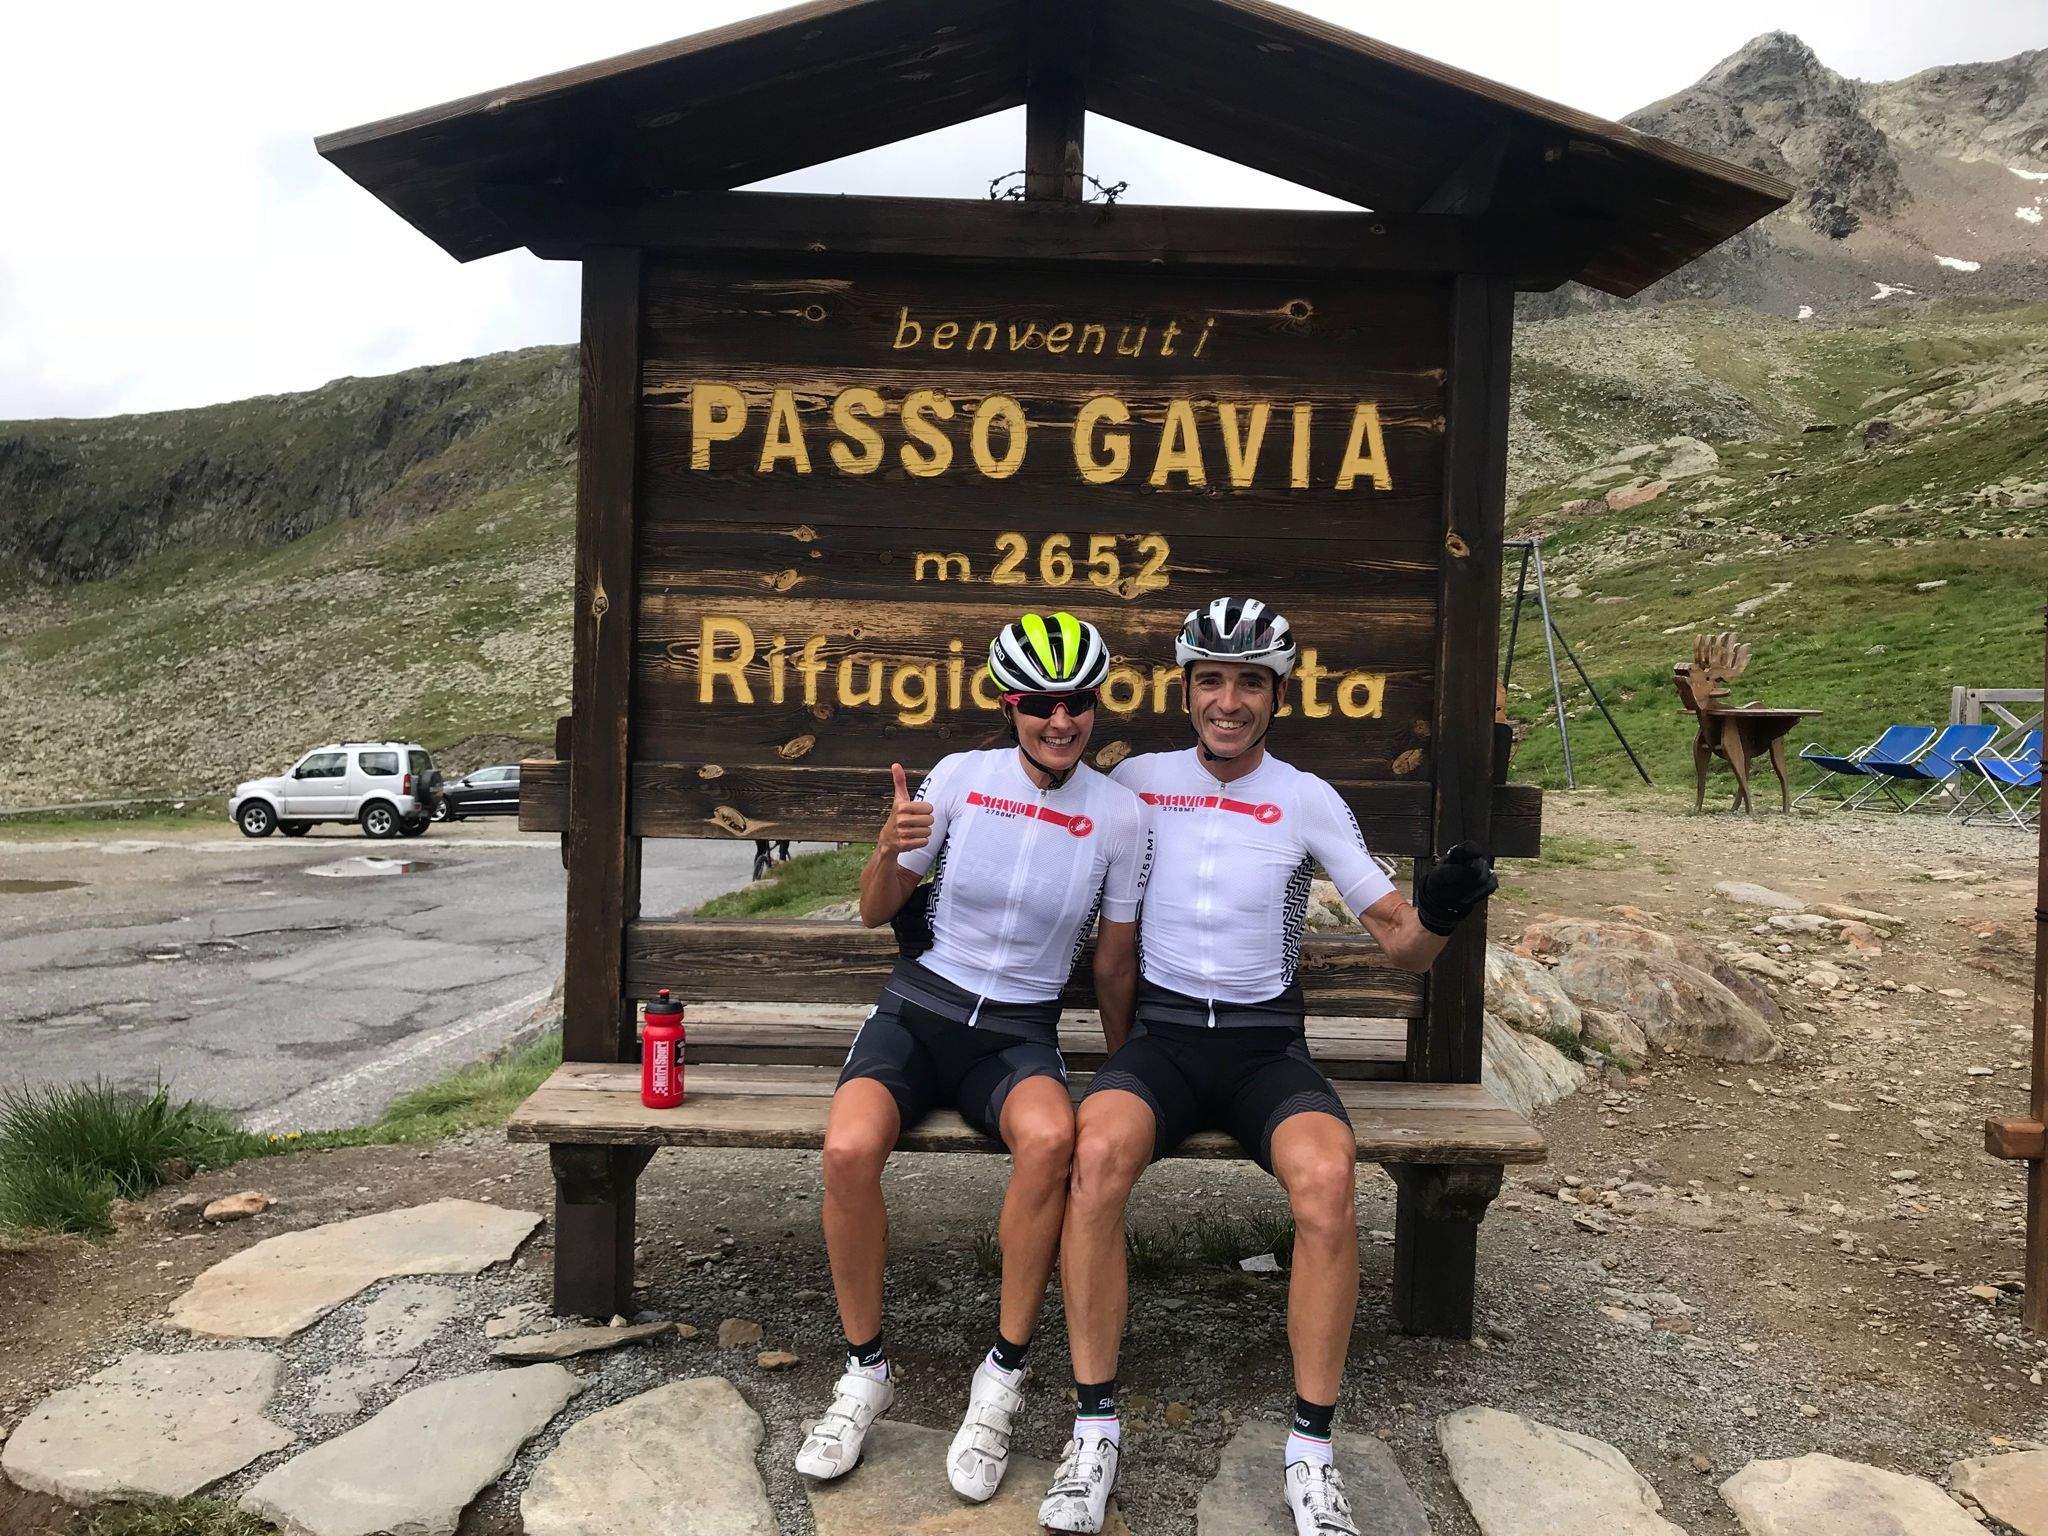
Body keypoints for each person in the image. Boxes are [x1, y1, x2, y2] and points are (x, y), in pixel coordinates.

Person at [1038, 597, 1498, 1536]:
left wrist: (1442, 913)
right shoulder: (1138, 781)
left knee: (1328, 1182)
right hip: (1162, 1042)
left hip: (1262, 1048)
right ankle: (1092, 1429)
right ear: (1186, 688)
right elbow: (1064, 867)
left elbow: (1402, 945)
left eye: (1251, 681)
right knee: (1092, 1163)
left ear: (1277, 695)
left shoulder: (1306, 797)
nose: (1229, 700)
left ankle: (1312, 1451)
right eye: (1212, 678)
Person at [795, 611, 1151, 1504]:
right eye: (1040, 703)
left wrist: (1125, 1069)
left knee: (1050, 1142)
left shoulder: (1120, 816)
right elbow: (880, 910)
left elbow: (1112, 962)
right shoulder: (959, 777)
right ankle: (865, 1371)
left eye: (1078, 703)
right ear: (1010, 703)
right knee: (845, 1152)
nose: (1060, 721)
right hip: (919, 1010)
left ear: (1096, 706)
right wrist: (889, 842)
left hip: (1018, 1031)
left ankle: (1000, 1381)